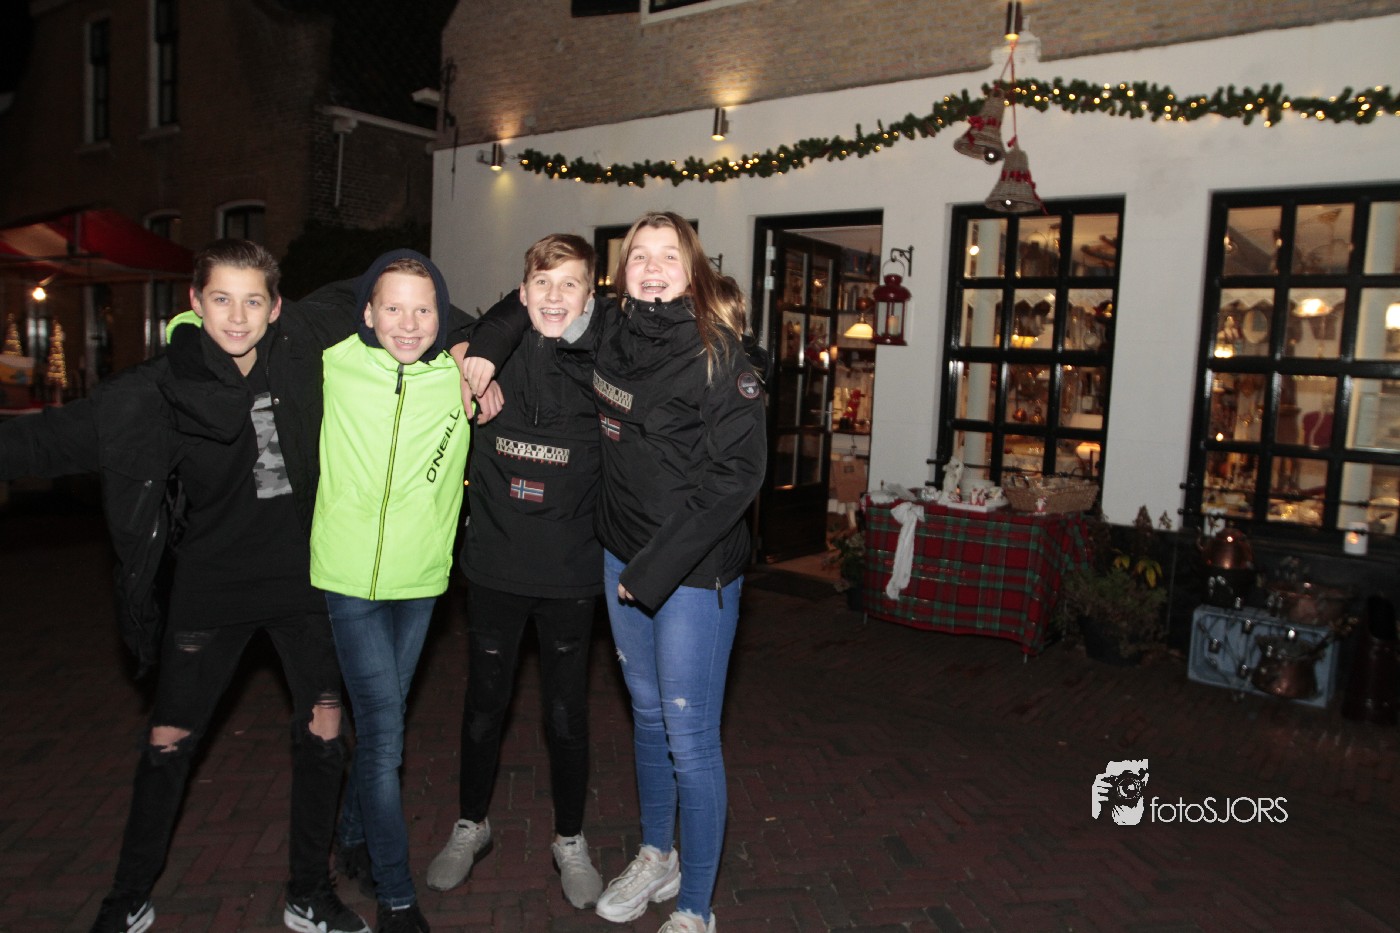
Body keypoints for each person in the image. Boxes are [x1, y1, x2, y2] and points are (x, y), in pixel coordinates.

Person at [0, 239, 369, 933]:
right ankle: (128, 896)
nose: (238, 316)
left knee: (325, 734)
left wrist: (475, 343)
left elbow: (388, 286)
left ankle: (309, 892)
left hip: (305, 581)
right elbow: (49, 439)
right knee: (168, 742)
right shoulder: (159, 388)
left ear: (276, 307)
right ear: (195, 303)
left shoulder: (305, 352)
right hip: (212, 585)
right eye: (221, 298)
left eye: (253, 300)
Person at [462, 212, 767, 933]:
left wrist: (653, 567)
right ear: (620, 276)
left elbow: (736, 478)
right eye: (640, 256)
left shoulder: (720, 356)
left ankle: (695, 908)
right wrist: (481, 350)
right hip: (619, 557)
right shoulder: (610, 331)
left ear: (693, 271)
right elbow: (531, 299)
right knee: (647, 714)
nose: (654, 267)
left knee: (691, 737)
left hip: (692, 572)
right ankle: (657, 854)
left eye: (670, 256)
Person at [423, 234, 605, 909]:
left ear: (591, 295)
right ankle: (471, 824)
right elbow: (427, 323)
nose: (555, 297)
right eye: (542, 283)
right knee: (483, 706)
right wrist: (468, 356)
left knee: (566, 715)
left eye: (570, 284)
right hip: (495, 568)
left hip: (571, 574)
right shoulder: (482, 354)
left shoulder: (604, 360)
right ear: (521, 291)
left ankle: (569, 838)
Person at [312, 250, 472, 933]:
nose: (409, 323)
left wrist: (473, 349)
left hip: (421, 580)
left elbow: (520, 324)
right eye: (394, 307)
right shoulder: (334, 362)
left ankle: (352, 836)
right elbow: (241, 325)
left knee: (386, 717)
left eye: (424, 308)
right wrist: (184, 329)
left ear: (442, 316)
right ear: (368, 313)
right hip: (347, 576)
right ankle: (398, 897)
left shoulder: (459, 376)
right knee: (383, 737)